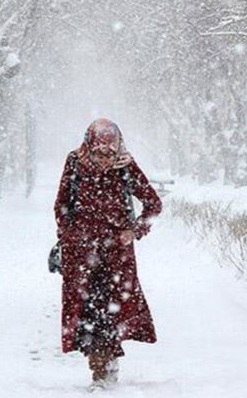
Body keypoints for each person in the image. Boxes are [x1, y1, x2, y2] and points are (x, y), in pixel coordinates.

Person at [54, 118, 163, 390]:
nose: (104, 159)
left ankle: (105, 368)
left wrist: (134, 231)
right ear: (89, 146)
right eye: (99, 153)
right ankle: (98, 366)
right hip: (81, 254)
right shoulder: (75, 163)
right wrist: (70, 235)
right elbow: (61, 205)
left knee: (110, 310)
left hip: (117, 255)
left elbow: (153, 204)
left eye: (110, 153)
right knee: (87, 311)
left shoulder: (125, 166)